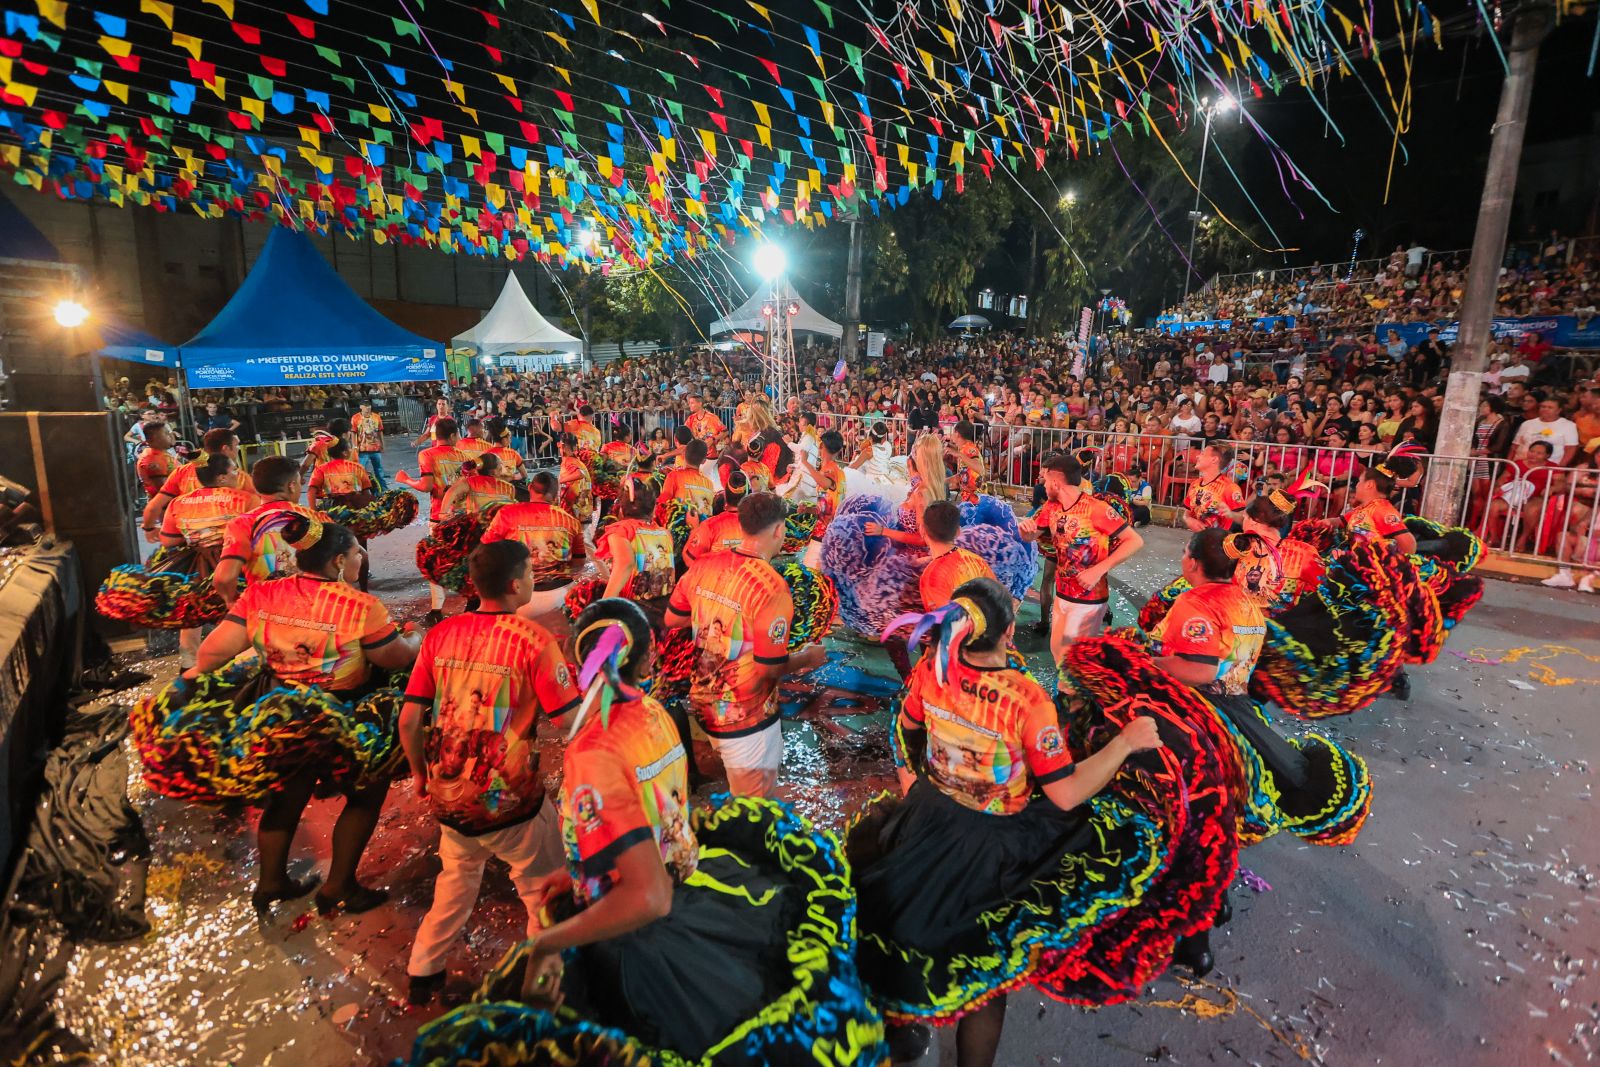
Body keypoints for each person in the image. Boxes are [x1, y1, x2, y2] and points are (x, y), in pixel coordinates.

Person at [411, 598, 885, 1066]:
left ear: (579, 658)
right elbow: (653, 825)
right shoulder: (655, 713)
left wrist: (547, 942)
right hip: (686, 890)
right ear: (651, 657)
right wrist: (580, 873)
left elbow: (649, 897)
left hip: (638, 938)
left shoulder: (594, 748)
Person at [852, 579, 1175, 1067]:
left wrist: (914, 784)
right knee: (983, 971)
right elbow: (1064, 792)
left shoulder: (931, 670)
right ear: (1007, 633)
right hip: (992, 845)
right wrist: (1125, 743)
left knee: (905, 929)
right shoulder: (1027, 699)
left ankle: (900, 1035)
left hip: (926, 819)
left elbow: (907, 727)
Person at [133, 515, 420, 914]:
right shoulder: (361, 607)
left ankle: (270, 883)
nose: (362, 555)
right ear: (338, 561)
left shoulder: (262, 595)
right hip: (343, 715)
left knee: (285, 797)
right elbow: (395, 657)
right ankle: (338, 887)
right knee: (365, 793)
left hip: (277, 715)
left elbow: (210, 654)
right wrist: (415, 637)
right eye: (356, 551)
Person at [400, 541, 582, 1004]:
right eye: (530, 574)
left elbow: (409, 718)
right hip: (510, 799)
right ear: (517, 583)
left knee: (456, 880)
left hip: (448, 793)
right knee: (545, 888)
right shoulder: (535, 641)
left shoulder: (441, 635)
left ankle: (423, 970)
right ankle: (541, 987)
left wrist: (420, 775)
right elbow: (566, 720)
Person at [664, 493, 827, 797]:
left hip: (702, 701)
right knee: (753, 812)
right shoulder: (772, 586)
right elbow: (769, 668)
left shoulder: (704, 565)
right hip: (745, 718)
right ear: (779, 530)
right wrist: (807, 656)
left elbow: (673, 619)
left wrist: (712, 613)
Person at [1019, 454, 1143, 679]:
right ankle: (1069, 698)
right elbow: (1033, 535)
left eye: (1045, 480)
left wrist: (1098, 570)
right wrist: (1025, 531)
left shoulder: (1096, 508)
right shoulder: (1051, 506)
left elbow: (1134, 540)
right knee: (1058, 651)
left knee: (1074, 662)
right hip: (1063, 594)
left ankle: (1077, 704)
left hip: (1089, 599)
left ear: (1056, 482)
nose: (1043, 484)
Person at [213, 457, 329, 607]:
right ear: (292, 486)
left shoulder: (242, 523)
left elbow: (224, 578)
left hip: (266, 610)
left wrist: (232, 601)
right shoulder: (316, 517)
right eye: (300, 482)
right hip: (316, 605)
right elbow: (352, 558)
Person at [397, 417, 470, 622]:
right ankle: (471, 602)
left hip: (439, 516)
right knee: (465, 559)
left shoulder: (427, 454)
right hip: (463, 516)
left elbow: (427, 486)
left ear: (435, 436)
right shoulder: (464, 456)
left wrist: (405, 480)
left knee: (435, 559)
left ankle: (437, 608)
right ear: (454, 435)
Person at [482, 470, 586, 593]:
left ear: (530, 487)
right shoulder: (570, 521)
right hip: (559, 591)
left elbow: (487, 549)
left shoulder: (507, 513)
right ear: (556, 495)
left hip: (518, 591)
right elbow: (579, 561)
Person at [141, 428, 248, 541]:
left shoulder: (182, 472)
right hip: (233, 541)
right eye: (237, 445)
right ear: (225, 449)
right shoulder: (238, 476)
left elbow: (153, 507)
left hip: (194, 541)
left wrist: (149, 529)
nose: (238, 449)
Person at [918, 500, 995, 611]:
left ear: (922, 530)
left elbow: (947, 623)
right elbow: (998, 599)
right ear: (958, 531)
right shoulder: (976, 561)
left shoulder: (931, 578)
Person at [1183, 443, 1247, 531]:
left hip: (1220, 542)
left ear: (1214, 459)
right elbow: (1186, 514)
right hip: (1199, 541)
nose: (1198, 456)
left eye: (1202, 454)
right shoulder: (1194, 484)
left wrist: (1230, 514)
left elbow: (1245, 520)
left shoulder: (1229, 488)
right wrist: (1189, 520)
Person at [438, 452, 517, 519]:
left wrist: (443, 513)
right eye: (500, 465)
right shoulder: (509, 488)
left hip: (473, 527)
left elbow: (452, 491)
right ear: (493, 472)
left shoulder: (470, 482)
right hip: (497, 529)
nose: (502, 467)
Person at [134, 420, 178, 502]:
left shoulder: (162, 453)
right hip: (164, 507)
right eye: (166, 433)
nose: (170, 436)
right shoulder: (151, 458)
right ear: (153, 439)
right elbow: (164, 489)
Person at [352, 399, 388, 489]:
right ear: (361, 407)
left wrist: (382, 444)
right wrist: (354, 446)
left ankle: (384, 489)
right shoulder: (355, 418)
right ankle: (361, 490)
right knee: (360, 470)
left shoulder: (376, 417)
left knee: (379, 470)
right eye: (365, 405)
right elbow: (353, 432)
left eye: (368, 405)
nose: (367, 407)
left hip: (376, 448)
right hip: (362, 450)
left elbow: (380, 431)